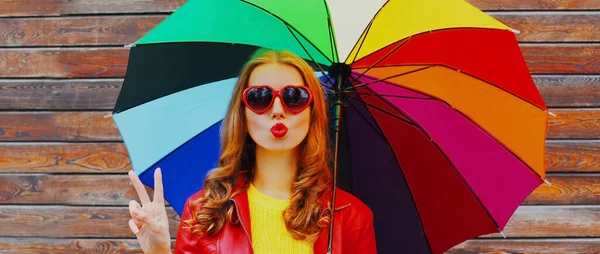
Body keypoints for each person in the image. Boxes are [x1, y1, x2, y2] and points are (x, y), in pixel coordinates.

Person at [127, 49, 377, 254]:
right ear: (242, 115)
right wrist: (158, 252)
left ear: (313, 114)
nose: (278, 109)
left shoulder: (353, 218)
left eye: (294, 97)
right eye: (260, 97)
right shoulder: (204, 211)